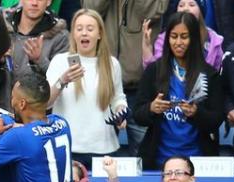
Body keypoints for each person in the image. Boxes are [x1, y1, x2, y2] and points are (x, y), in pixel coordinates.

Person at [134, 12, 224, 170]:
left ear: (194, 39)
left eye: (184, 36)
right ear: (167, 39)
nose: (178, 42)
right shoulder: (154, 70)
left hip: (198, 163)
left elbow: (216, 120)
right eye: (173, 36)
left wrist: (197, 113)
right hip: (159, 162)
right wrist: (151, 108)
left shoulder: (210, 74)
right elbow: (137, 114)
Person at [82, 0, 169, 157]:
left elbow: (152, 11)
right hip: (103, 87)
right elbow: (90, 9)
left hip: (141, 87)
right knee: (101, 157)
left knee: (143, 156)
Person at [46, 9, 127, 168]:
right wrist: (63, 80)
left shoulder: (112, 64)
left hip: (104, 148)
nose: (84, 33)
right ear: (73, 34)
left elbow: (118, 98)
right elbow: (46, 102)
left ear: (99, 34)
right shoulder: (59, 61)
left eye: (90, 29)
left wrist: (121, 111)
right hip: (67, 147)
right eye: (79, 28)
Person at [143, 0, 223, 71]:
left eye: (191, 5)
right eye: (181, 5)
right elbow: (156, 73)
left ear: (200, 11)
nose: (186, 8)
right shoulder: (164, 39)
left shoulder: (213, 40)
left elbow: (217, 73)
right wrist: (147, 50)